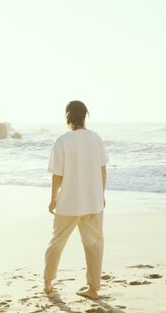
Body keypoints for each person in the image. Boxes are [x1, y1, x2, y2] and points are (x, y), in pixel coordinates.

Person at [44, 100, 108, 299]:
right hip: (92, 202)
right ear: (85, 116)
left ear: (67, 116)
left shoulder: (62, 141)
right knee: (94, 245)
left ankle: (47, 283)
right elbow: (102, 169)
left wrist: (53, 199)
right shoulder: (95, 138)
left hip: (68, 203)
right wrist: (101, 194)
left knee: (57, 243)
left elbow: (57, 175)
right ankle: (94, 289)